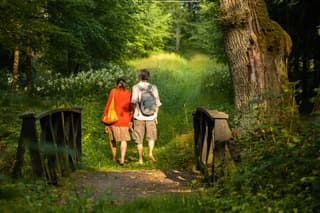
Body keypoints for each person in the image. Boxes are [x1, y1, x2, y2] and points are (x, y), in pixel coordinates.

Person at [131, 69, 161, 164]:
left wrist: (134, 112)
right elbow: (157, 103)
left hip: (139, 117)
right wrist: (155, 116)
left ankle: (140, 159)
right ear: (148, 77)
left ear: (139, 77)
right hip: (151, 117)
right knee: (151, 137)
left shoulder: (136, 87)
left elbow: (133, 102)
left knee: (139, 139)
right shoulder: (153, 87)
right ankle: (150, 153)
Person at [102, 77, 132, 165]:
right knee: (124, 140)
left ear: (116, 84)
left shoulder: (113, 91)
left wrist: (104, 119)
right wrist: (131, 120)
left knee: (112, 140)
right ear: (125, 84)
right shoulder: (129, 93)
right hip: (125, 120)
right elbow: (131, 108)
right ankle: (122, 159)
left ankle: (114, 158)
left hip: (113, 120)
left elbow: (108, 105)